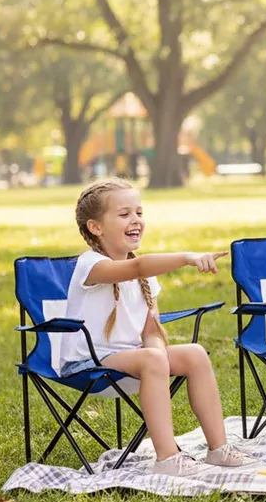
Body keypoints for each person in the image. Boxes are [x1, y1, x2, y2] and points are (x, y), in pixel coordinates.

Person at [60, 178, 246, 476]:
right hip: (86, 363)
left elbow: (151, 331)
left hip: (132, 358)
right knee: (152, 358)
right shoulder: (90, 264)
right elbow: (136, 267)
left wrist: (158, 354)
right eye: (124, 214)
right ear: (95, 227)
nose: (135, 220)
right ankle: (167, 458)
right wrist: (187, 258)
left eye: (139, 212)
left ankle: (217, 447)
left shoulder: (147, 276)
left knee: (194, 354)